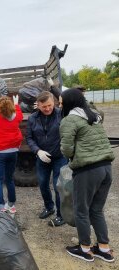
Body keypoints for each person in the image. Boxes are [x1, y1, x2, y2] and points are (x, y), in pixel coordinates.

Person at [59, 88, 115, 263]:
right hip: (106, 168)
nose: (60, 105)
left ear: (69, 103)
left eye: (61, 102)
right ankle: (104, 249)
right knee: (96, 209)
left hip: (88, 170)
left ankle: (85, 249)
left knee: (81, 210)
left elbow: (66, 148)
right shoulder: (93, 116)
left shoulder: (70, 120)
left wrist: (70, 157)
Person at [26, 91, 67, 226]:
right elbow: (29, 138)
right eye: (44, 107)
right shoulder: (32, 118)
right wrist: (37, 151)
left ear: (53, 102)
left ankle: (61, 215)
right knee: (43, 184)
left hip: (59, 156)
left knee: (58, 185)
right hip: (42, 157)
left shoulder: (61, 114)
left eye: (49, 105)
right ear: (38, 105)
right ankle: (49, 207)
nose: (48, 109)